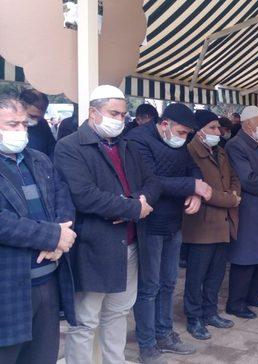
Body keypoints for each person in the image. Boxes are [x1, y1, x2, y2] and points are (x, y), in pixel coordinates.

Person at [54, 85, 160, 364]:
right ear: (92, 112)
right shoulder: (69, 146)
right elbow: (84, 195)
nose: (120, 119)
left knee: (118, 313)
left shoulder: (127, 145)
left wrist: (135, 206)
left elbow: (153, 181)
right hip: (94, 246)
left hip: (131, 243)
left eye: (124, 114)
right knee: (86, 320)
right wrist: (134, 207)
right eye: (114, 113)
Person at [127, 103, 210, 363]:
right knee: (149, 286)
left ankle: (165, 333)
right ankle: (147, 344)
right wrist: (193, 185)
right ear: (165, 124)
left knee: (169, 282)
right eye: (183, 132)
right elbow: (152, 181)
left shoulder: (177, 142)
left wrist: (195, 190)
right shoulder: (137, 140)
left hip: (174, 221)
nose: (184, 138)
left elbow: (192, 167)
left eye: (187, 134)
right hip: (149, 222)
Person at [0, 91, 76, 364]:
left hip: (48, 280)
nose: (21, 130)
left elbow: (63, 198)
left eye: (24, 124)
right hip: (8, 285)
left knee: (43, 356)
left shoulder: (39, 159)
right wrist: (53, 236)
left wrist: (62, 238)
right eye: (12, 125)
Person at [182, 110, 240, 340]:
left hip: (223, 222)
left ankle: (210, 312)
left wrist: (235, 193)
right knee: (197, 275)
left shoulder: (220, 151)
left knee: (216, 272)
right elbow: (200, 189)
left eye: (218, 128)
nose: (218, 132)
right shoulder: (190, 153)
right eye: (213, 128)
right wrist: (230, 199)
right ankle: (194, 318)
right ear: (198, 131)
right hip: (202, 224)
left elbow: (235, 178)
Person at [224, 105, 258, 319]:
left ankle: (253, 295)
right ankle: (236, 303)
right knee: (245, 256)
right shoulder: (236, 145)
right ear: (248, 123)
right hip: (249, 207)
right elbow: (245, 179)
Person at [20, 89, 56, 157]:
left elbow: (52, 149)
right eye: (32, 116)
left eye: (40, 117)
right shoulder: (7, 126)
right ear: (20, 107)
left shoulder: (42, 123)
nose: (36, 121)